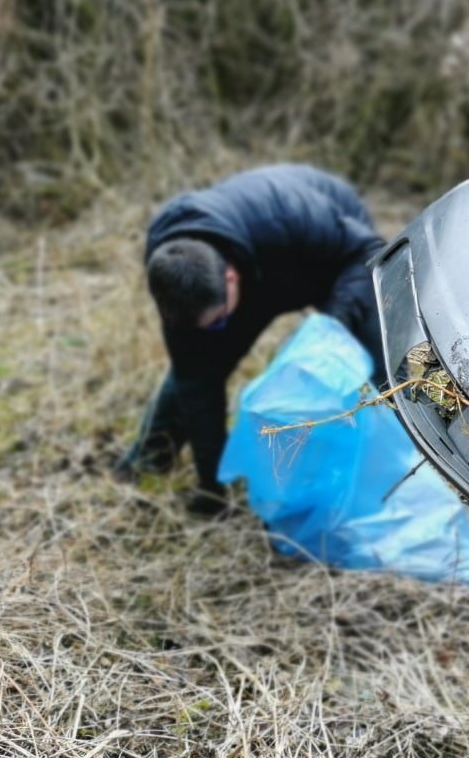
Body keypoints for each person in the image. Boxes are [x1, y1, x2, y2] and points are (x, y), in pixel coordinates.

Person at [117, 164, 387, 514]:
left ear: (230, 277)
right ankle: (147, 460)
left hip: (329, 255)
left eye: (217, 322)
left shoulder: (287, 217)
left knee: (375, 363)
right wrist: (212, 488)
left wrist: (333, 326)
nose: (215, 332)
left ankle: (391, 466)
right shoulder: (179, 282)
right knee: (195, 367)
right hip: (253, 272)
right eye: (207, 325)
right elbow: (198, 384)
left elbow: (368, 251)